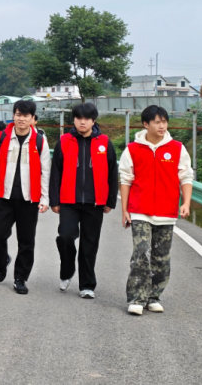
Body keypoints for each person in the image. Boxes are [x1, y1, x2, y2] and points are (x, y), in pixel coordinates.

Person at [120, 105, 193, 315]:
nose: (162, 126)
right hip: (139, 210)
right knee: (141, 253)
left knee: (161, 257)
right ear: (146, 124)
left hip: (166, 211)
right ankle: (136, 298)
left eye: (165, 122)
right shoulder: (132, 149)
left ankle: (153, 296)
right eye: (157, 122)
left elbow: (186, 177)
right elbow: (125, 180)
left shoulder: (177, 148)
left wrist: (186, 203)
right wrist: (124, 210)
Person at [0, 100, 51, 295]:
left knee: (26, 241)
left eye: (26, 116)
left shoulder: (40, 141)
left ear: (33, 119)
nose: (21, 119)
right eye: (18, 114)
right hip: (3, 197)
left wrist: (45, 198)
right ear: (13, 116)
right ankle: (2, 262)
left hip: (29, 199)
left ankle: (20, 278)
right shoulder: (1, 137)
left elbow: (45, 172)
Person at [49, 103, 118, 299]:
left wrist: (110, 200)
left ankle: (87, 285)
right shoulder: (64, 141)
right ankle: (67, 269)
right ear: (74, 120)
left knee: (89, 244)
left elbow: (112, 173)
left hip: (95, 202)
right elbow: (56, 172)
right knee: (65, 237)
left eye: (86, 118)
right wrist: (54, 200)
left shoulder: (104, 143)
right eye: (79, 118)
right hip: (68, 201)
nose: (82, 122)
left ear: (93, 121)